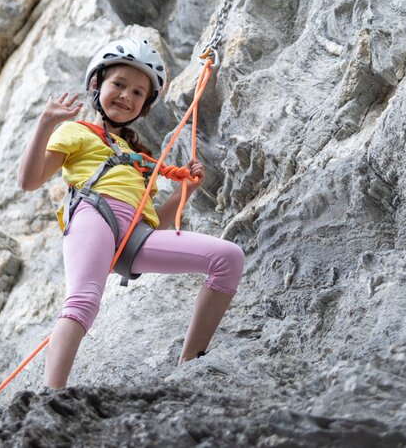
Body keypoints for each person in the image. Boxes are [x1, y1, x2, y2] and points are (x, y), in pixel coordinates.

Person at [16, 38, 245, 388]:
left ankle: (189, 366)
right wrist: (45, 124)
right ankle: (52, 394)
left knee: (228, 258)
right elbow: (29, 181)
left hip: (135, 234)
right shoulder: (76, 132)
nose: (126, 96)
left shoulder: (140, 160)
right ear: (96, 86)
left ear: (145, 106)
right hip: (94, 214)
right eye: (119, 85)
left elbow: (153, 221)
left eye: (138, 92)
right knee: (83, 301)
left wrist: (186, 190)